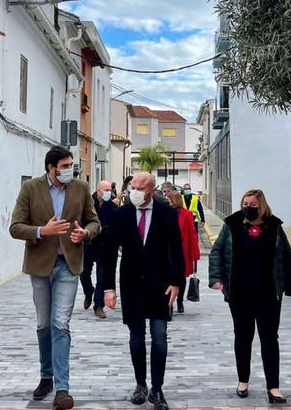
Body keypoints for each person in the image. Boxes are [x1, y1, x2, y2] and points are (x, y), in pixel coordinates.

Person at [9, 146, 101, 409]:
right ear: (51, 168)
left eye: (71, 164)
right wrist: (42, 230)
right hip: (39, 265)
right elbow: (15, 227)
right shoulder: (31, 189)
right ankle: (46, 376)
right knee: (44, 325)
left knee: (60, 324)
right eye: (64, 165)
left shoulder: (80, 188)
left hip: (68, 264)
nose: (69, 169)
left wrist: (86, 233)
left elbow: (95, 222)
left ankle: (63, 388)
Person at [102, 172, 184, 410]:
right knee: (136, 338)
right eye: (132, 187)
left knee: (159, 337)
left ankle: (157, 389)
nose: (134, 191)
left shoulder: (166, 214)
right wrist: (108, 287)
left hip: (160, 285)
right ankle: (141, 384)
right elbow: (109, 253)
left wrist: (177, 282)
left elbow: (176, 250)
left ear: (152, 190)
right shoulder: (122, 215)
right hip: (132, 284)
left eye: (139, 188)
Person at [208, 189, 291, 404]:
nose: (247, 207)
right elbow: (217, 251)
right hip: (239, 292)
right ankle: (243, 380)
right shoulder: (232, 225)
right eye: (244, 203)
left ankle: (273, 388)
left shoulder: (274, 227)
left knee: (269, 339)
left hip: (268, 293)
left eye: (252, 204)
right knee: (243, 336)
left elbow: (287, 256)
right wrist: (216, 279)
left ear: (262, 205)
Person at [81, 180, 119, 319]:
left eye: (110, 189)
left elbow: (115, 228)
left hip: (105, 246)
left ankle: (98, 305)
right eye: (106, 189)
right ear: (98, 191)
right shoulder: (87, 204)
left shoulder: (113, 208)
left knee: (102, 276)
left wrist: (103, 230)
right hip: (89, 244)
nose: (109, 192)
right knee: (84, 273)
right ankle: (88, 291)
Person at [166, 192, 201, 314]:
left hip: (182, 250)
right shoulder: (165, 213)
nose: (167, 201)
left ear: (175, 200)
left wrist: (195, 253)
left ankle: (179, 301)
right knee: (168, 276)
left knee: (181, 277)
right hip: (167, 250)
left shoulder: (186, 214)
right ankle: (168, 302)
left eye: (169, 199)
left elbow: (192, 234)